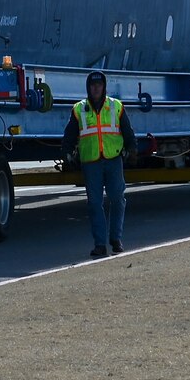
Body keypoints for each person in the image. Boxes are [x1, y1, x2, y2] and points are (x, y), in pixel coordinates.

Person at [63, 71, 136, 258]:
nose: (96, 88)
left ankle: (116, 239)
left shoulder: (116, 106)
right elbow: (69, 135)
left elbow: (128, 132)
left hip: (113, 159)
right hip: (91, 162)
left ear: (104, 87)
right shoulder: (78, 109)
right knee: (94, 204)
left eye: (99, 85)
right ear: (88, 87)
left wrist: (131, 150)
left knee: (118, 199)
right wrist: (67, 153)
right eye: (92, 85)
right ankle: (100, 244)